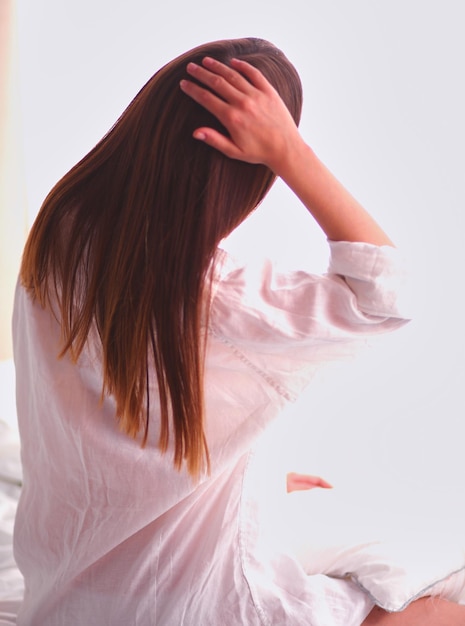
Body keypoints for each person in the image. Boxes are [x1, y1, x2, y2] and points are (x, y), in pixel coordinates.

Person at [12, 37, 465, 625]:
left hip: (66, 603)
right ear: (242, 170)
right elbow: (385, 298)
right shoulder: (210, 298)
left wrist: (244, 482)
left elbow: (104, 429)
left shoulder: (58, 234)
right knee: (444, 599)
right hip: (192, 610)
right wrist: (290, 151)